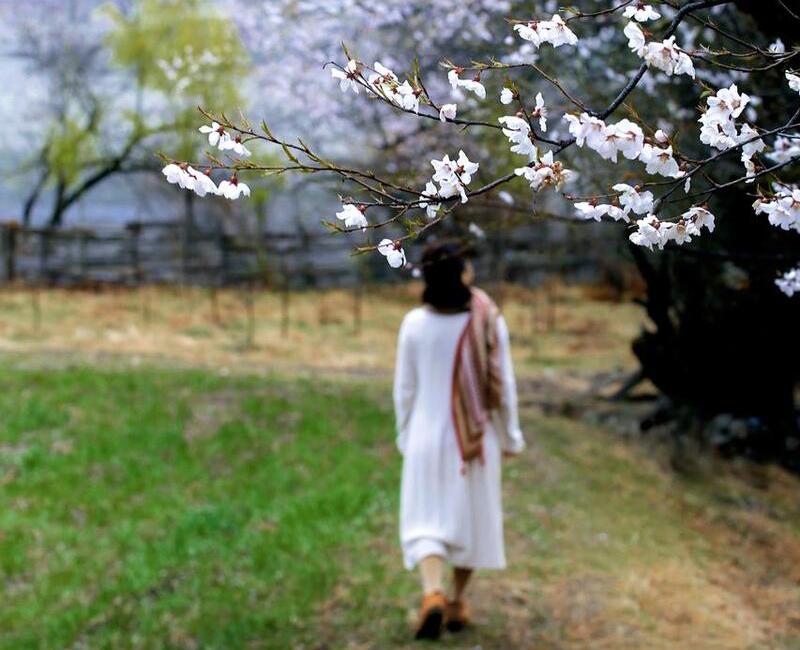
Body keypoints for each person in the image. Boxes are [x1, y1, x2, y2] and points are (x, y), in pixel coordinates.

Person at [393, 240, 525, 640]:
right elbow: (504, 386)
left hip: (424, 434)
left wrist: (404, 435)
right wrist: (510, 436)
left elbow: (404, 390)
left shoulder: (414, 323)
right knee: (469, 520)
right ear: (462, 273)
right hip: (474, 439)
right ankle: (456, 601)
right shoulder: (489, 320)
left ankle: (431, 593)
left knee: (425, 521)